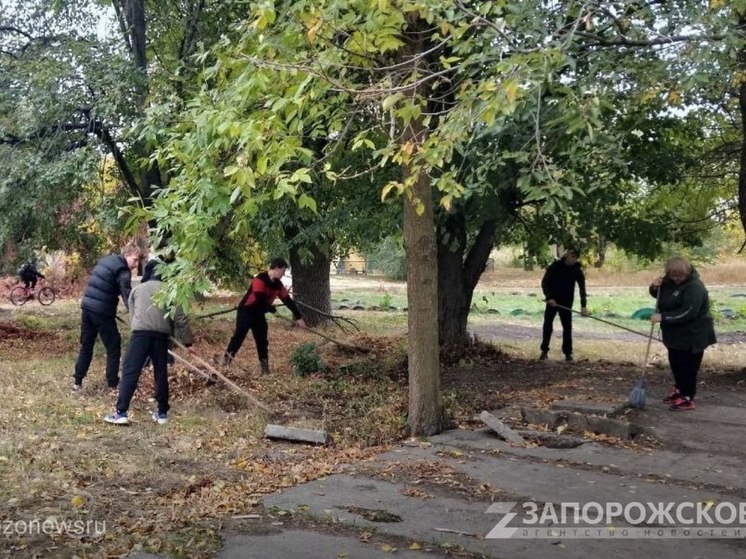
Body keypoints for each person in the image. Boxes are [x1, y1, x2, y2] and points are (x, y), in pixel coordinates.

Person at [104, 268, 192, 426]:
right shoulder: (170, 291)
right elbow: (180, 317)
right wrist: (187, 343)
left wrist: (138, 327)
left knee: (130, 371)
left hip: (140, 336)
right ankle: (162, 413)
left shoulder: (137, 290)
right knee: (160, 373)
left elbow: (133, 315)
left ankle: (121, 413)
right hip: (161, 337)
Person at [649, 256, 716, 411]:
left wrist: (663, 317)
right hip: (675, 333)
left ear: (687, 272)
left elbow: (688, 313)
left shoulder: (695, 288)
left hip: (694, 333)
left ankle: (687, 397)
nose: (677, 279)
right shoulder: (669, 282)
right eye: (673, 276)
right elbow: (661, 297)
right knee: (676, 363)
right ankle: (679, 390)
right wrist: (654, 287)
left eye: (680, 276)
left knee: (688, 366)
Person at [73, 243, 141, 391]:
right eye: (135, 260)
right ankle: (112, 383)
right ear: (126, 255)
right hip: (102, 311)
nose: (136, 264)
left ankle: (77, 381)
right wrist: (138, 318)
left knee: (86, 344)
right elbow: (127, 297)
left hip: (87, 306)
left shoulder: (106, 260)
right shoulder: (123, 270)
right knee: (113, 346)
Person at [223, 257, 306, 375]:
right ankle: (225, 363)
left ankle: (265, 369)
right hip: (246, 311)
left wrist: (299, 317)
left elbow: (287, 300)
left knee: (262, 340)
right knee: (238, 337)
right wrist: (272, 310)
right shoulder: (259, 279)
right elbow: (260, 299)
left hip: (259, 314)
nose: (283, 274)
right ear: (277, 268)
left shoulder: (278, 284)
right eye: (283, 271)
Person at [540, 249, 589, 362]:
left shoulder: (576, 269)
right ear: (567, 256)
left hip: (566, 303)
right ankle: (544, 351)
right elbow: (545, 283)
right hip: (553, 301)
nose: (574, 260)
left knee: (567, 328)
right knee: (547, 326)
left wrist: (583, 306)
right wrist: (549, 297)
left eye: (576, 258)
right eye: (572, 257)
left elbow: (582, 288)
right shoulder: (555, 266)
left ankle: (568, 353)